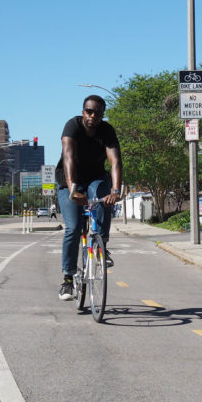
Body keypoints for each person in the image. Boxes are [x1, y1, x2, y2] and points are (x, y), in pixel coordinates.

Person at [56, 95, 123, 301]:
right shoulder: (72, 126)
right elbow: (68, 157)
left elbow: (115, 161)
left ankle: (101, 244)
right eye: (88, 111)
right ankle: (68, 279)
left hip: (95, 178)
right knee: (74, 227)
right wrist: (72, 188)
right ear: (83, 111)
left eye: (97, 113)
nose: (92, 116)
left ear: (102, 114)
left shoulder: (107, 131)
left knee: (103, 197)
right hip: (69, 182)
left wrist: (115, 190)